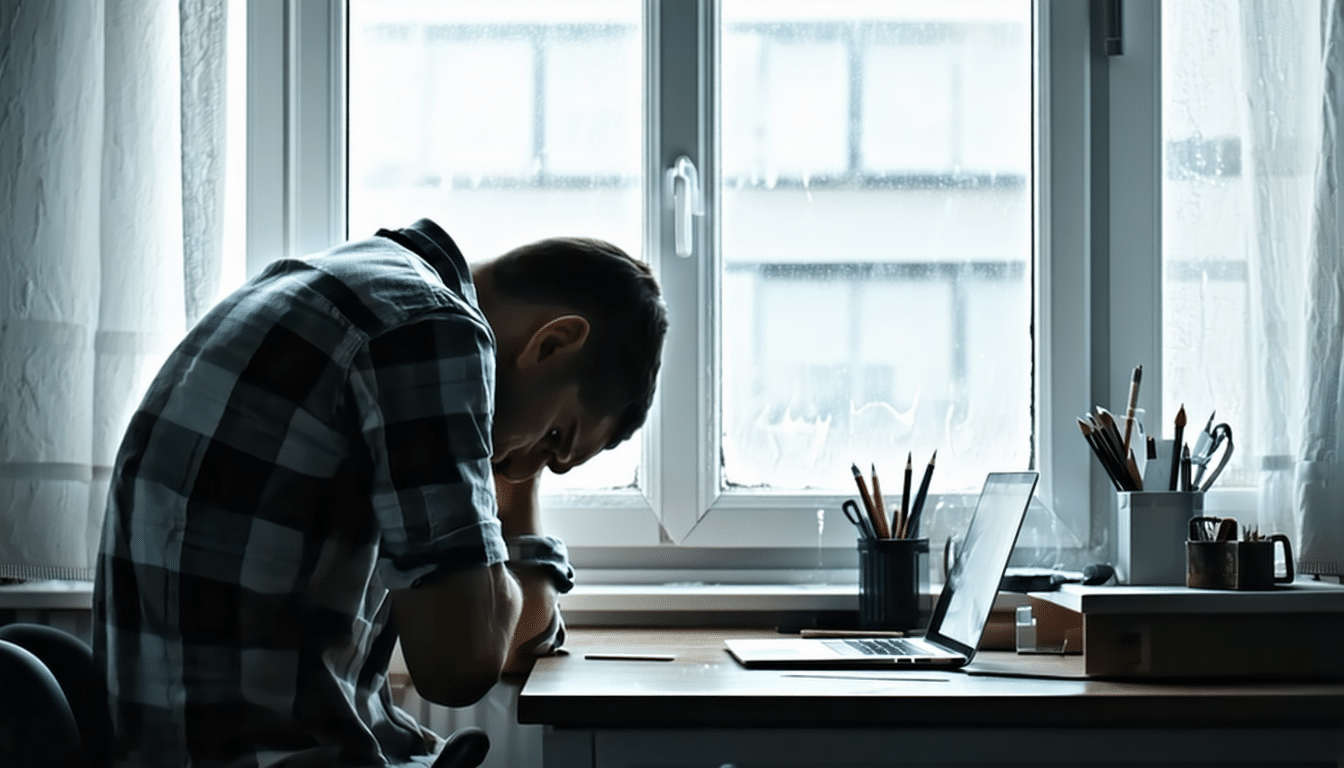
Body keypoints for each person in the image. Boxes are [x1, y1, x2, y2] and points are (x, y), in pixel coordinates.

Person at [92, 218, 668, 768]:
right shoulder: (431, 331)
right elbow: (460, 668)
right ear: (552, 344)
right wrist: (516, 491)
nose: (523, 469)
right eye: (555, 438)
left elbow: (504, 643)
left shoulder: (356, 284)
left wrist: (525, 452)